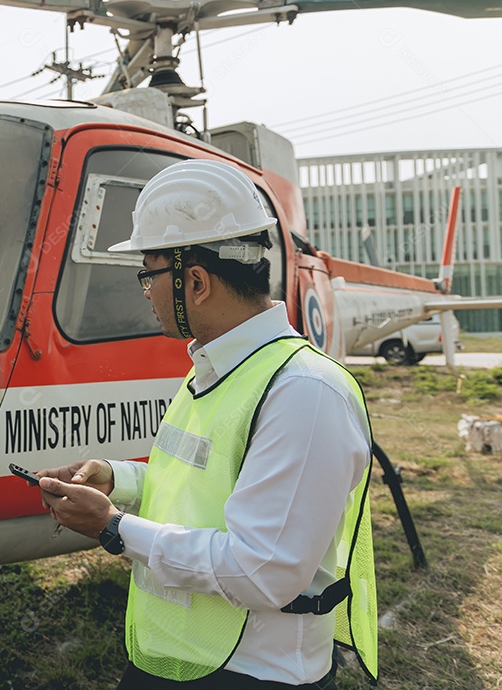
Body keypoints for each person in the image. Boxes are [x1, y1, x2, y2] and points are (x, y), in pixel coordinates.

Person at [37, 159, 377, 689]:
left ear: (195, 282)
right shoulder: (216, 370)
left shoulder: (304, 393)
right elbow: (202, 488)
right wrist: (115, 478)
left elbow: (261, 570)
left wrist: (112, 527)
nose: (145, 291)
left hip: (254, 674)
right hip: (178, 657)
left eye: (148, 274)